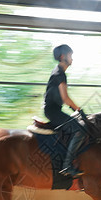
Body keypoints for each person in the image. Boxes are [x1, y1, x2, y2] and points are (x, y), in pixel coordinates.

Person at [43, 44, 85, 178]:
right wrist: (78, 110)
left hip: (54, 109)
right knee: (79, 131)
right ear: (63, 57)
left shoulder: (59, 72)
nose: (72, 58)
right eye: (70, 55)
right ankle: (67, 166)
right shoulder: (59, 74)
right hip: (52, 111)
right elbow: (65, 98)